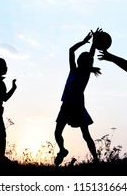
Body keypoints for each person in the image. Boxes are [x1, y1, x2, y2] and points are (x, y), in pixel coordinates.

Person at [54, 28, 102, 166]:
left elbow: (91, 53)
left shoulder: (86, 73)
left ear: (86, 62)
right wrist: (84, 41)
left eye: (84, 58)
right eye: (81, 57)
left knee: (86, 135)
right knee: (57, 132)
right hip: (67, 105)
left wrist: (93, 42)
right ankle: (62, 150)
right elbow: (71, 50)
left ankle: (96, 160)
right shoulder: (73, 70)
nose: (81, 58)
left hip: (78, 106)